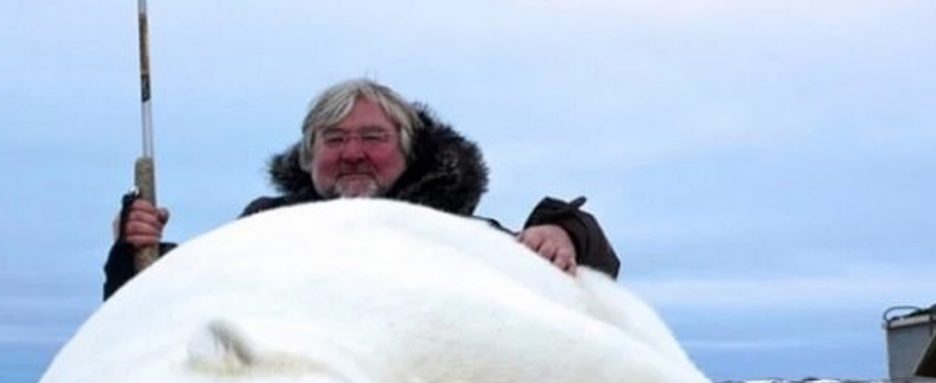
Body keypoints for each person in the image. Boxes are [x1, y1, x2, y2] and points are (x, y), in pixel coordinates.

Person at [104, 79, 621, 300]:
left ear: (407, 150)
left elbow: (594, 279)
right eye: (335, 139)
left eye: (373, 137)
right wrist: (134, 256)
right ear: (311, 155)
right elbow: (165, 310)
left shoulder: (463, 239)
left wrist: (565, 231)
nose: (353, 152)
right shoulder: (261, 240)